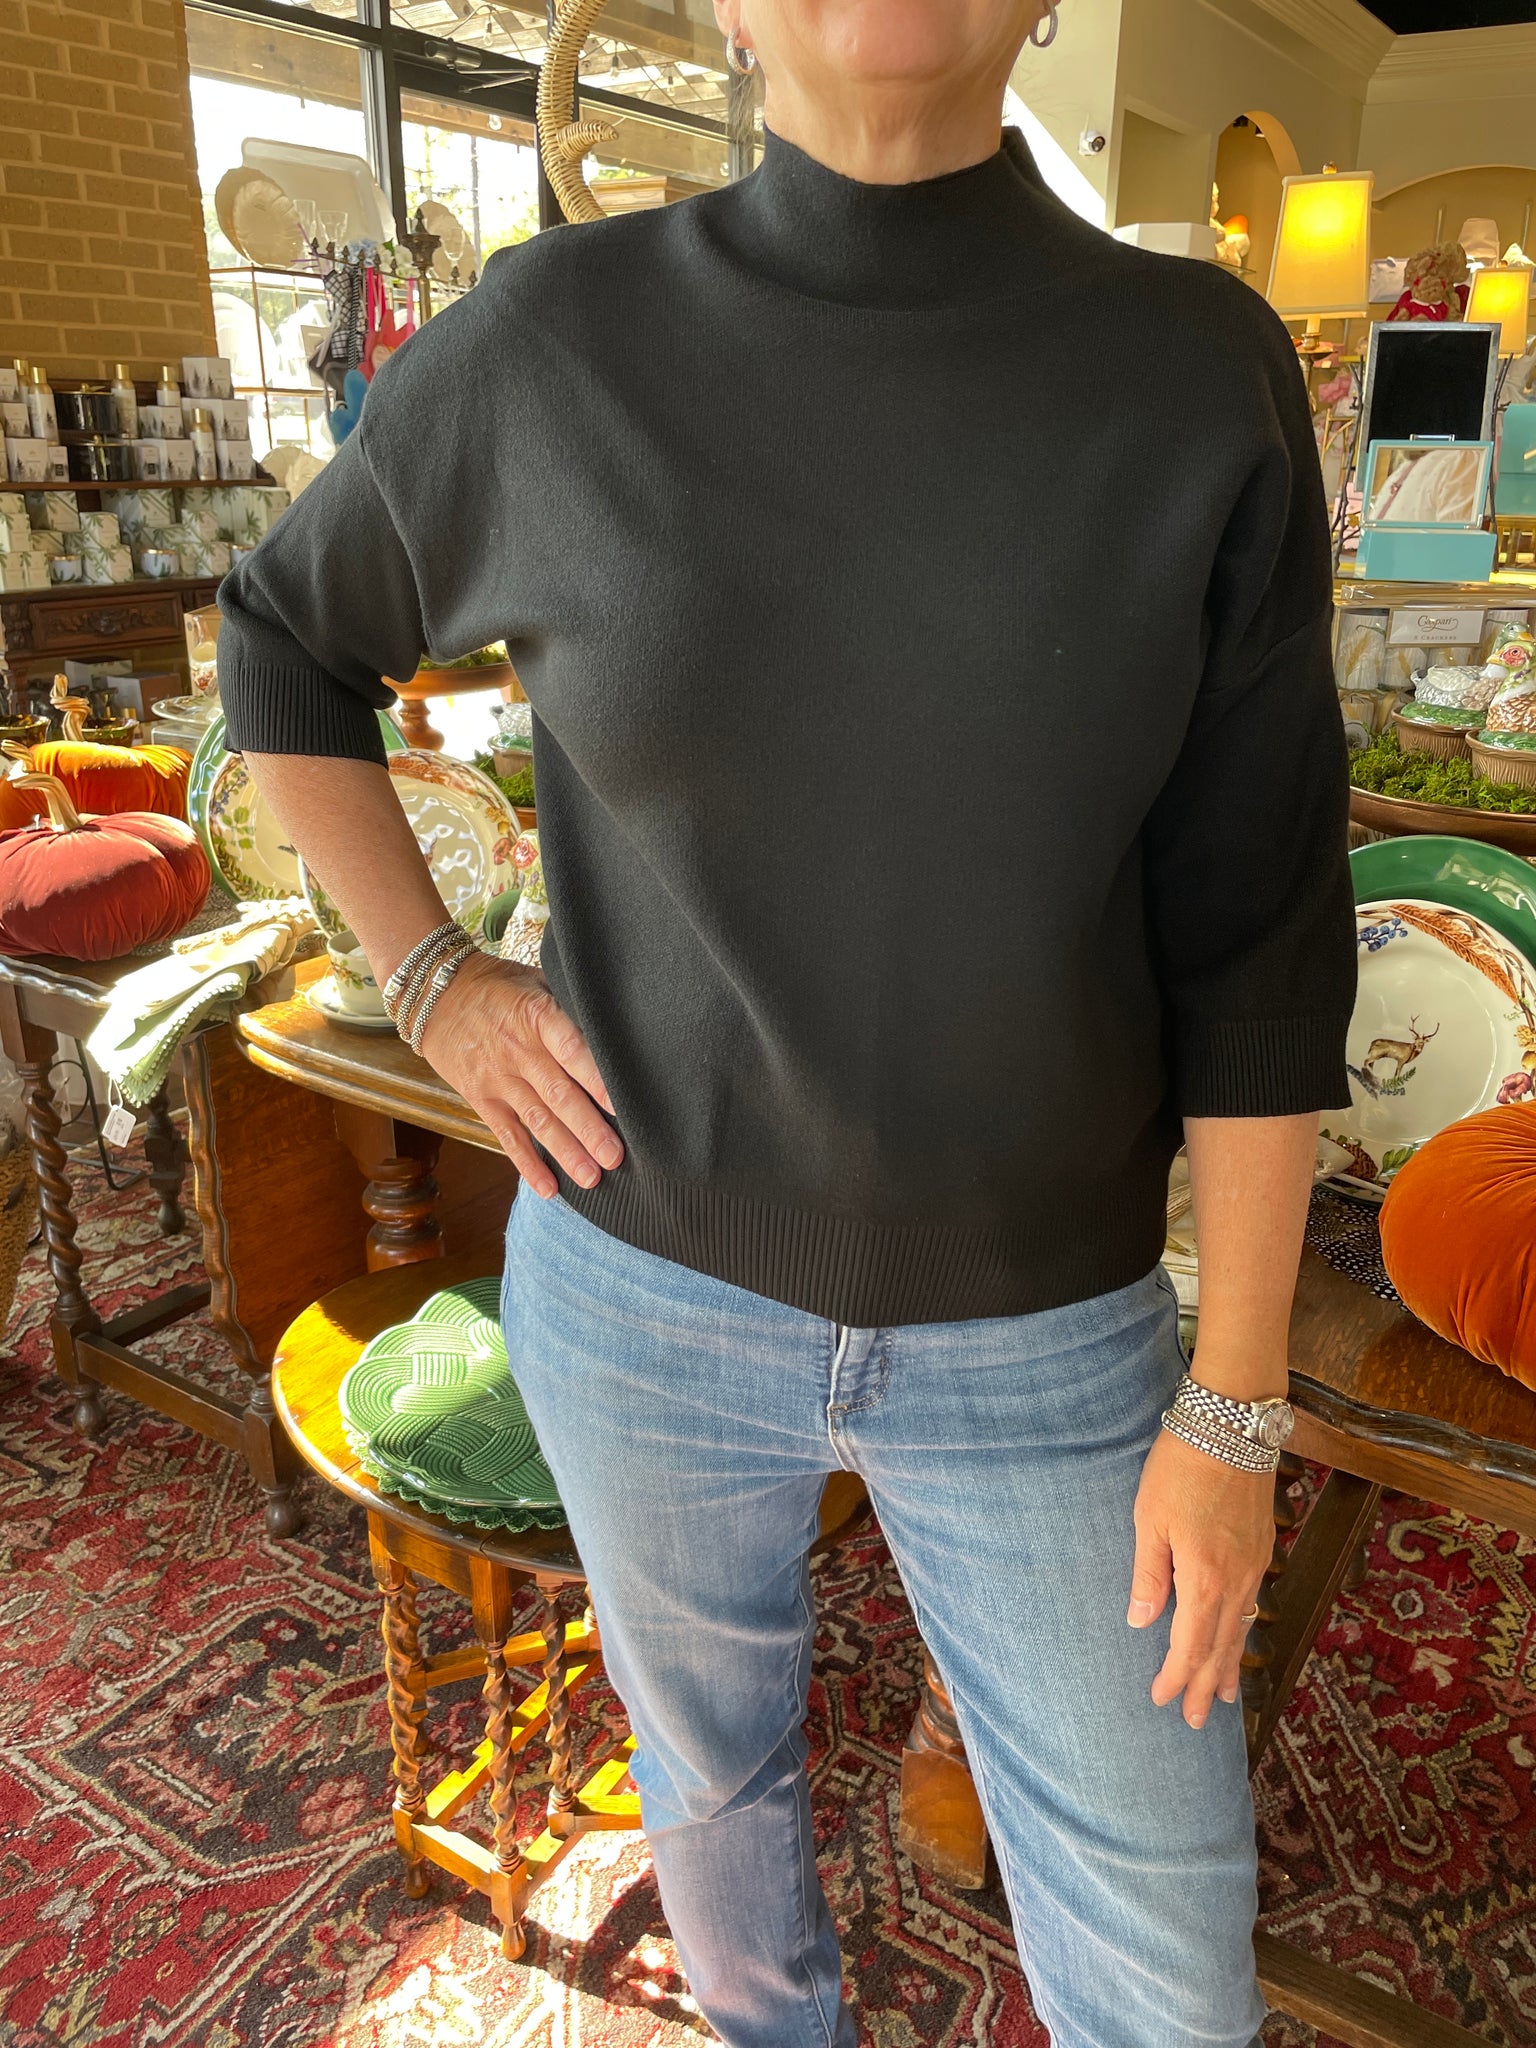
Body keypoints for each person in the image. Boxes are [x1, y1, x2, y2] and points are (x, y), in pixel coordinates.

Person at [217, 3, 1356, 2041]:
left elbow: (1262, 929)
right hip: (638, 1288)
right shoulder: (556, 341)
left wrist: (1237, 1403)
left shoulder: (1196, 372)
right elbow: (284, 640)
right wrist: (435, 980)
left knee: (1164, 1959)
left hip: (1050, 1337)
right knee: (710, 1793)